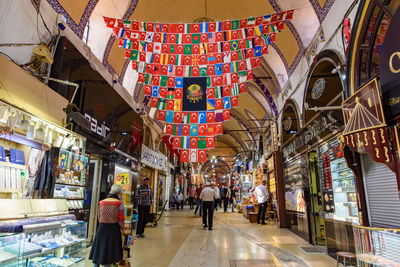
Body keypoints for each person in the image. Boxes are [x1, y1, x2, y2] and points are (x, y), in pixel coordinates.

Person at [89, 184, 124, 267]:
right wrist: (122, 229)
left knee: (98, 250)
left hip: (102, 228)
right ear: (118, 193)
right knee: (109, 253)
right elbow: (121, 219)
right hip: (113, 230)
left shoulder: (102, 202)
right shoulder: (119, 203)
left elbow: (99, 216)